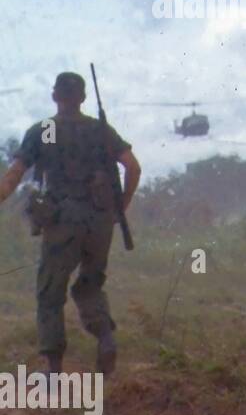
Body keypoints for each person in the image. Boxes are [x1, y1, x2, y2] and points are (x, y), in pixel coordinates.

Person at [0, 72, 141, 375]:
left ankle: (53, 370)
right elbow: (132, 166)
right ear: (83, 98)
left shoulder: (44, 130)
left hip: (63, 221)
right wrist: (119, 209)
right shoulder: (100, 130)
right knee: (90, 286)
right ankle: (105, 339)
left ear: (55, 97)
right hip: (99, 222)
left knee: (50, 293)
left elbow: (15, 174)